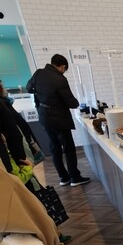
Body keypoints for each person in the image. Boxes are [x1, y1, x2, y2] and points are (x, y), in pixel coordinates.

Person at [26, 54, 90, 187]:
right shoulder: (60, 79)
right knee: (68, 148)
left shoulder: (38, 73)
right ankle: (75, 178)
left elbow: (28, 88)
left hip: (44, 116)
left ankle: (63, 177)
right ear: (63, 67)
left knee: (54, 147)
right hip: (59, 119)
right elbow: (71, 102)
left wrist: (43, 96)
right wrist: (77, 103)